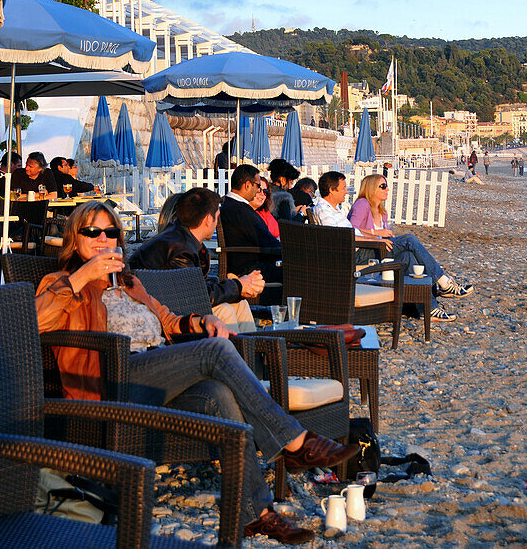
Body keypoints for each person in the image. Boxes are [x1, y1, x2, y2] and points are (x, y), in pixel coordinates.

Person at [35, 201, 357, 543]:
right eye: (91, 232)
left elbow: (169, 321)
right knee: (217, 350)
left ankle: (256, 514)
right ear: (75, 238)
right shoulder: (59, 282)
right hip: (109, 383)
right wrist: (84, 276)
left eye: (110, 231)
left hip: (155, 373)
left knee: (219, 396)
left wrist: (202, 320)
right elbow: (34, 322)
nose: (102, 238)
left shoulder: (130, 283)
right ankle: (294, 442)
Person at [129, 188, 263, 332]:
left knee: (240, 304)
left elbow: (195, 285)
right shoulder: (180, 249)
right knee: (224, 310)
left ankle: (249, 350)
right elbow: (195, 295)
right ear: (208, 219)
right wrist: (238, 285)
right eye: (217, 217)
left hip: (174, 302)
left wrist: (240, 286)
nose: (217, 222)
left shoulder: (181, 238)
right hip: (161, 312)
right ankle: (229, 352)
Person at [349, 173, 473, 320]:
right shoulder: (362, 204)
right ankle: (444, 282)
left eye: (387, 185)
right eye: (383, 186)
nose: (387, 189)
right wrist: (376, 233)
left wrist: (383, 237)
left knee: (408, 257)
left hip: (379, 251)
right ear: (371, 189)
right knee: (409, 239)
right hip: (362, 253)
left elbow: (384, 238)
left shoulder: (382, 212)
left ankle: (428, 309)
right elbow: (350, 231)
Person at [217, 165, 281, 288]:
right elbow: (268, 243)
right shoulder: (241, 210)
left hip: (242, 265)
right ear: (247, 185)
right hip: (251, 270)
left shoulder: (229, 205)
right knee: (300, 270)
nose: (258, 191)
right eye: (257, 186)